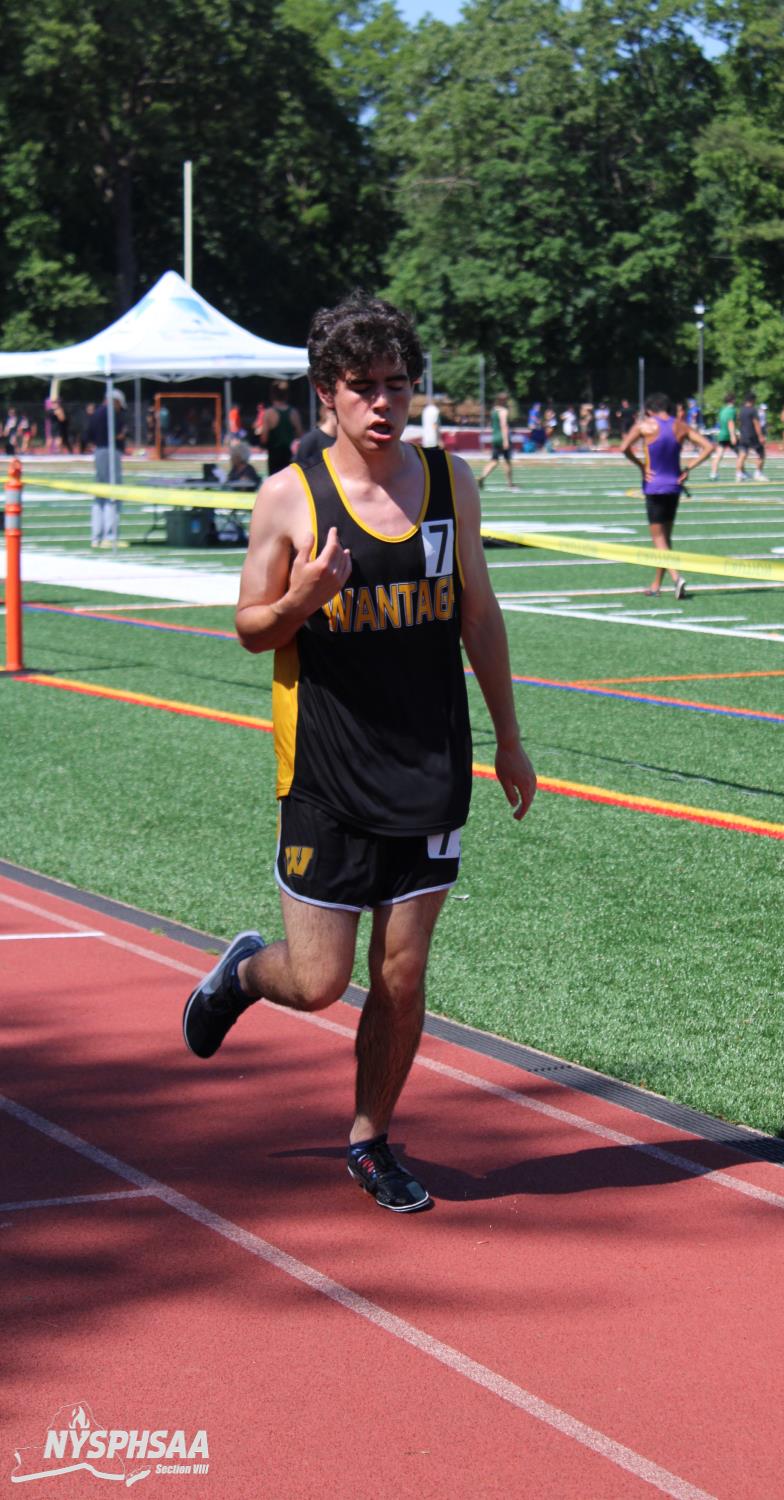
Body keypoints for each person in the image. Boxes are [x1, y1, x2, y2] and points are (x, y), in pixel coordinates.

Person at [181, 291, 536, 1214]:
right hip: (326, 774)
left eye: (397, 384)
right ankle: (242, 974)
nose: (384, 403)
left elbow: (479, 614)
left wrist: (509, 737)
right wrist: (302, 597)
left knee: (402, 973)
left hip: (432, 765)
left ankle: (371, 1139)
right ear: (326, 396)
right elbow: (251, 629)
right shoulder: (289, 497)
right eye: (363, 386)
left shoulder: (452, 482)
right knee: (318, 982)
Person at [620, 392, 714, 598]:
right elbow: (709, 447)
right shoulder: (680, 425)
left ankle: (676, 577)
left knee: (658, 538)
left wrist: (641, 465)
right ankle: (656, 585)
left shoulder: (645, 425)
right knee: (665, 540)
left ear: (648, 410)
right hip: (674, 486)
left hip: (654, 486)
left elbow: (624, 447)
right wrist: (688, 468)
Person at [86, 390, 127, 547]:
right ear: (115, 401)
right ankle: (110, 536)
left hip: (98, 452)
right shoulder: (112, 415)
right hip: (110, 452)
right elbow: (117, 435)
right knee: (113, 493)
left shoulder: (95, 413)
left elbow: (88, 436)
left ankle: (96, 536)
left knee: (100, 494)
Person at [255, 380, 303, 475]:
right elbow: (300, 435)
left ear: (272, 395)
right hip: (290, 456)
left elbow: (264, 438)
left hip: (274, 456)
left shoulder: (268, 413)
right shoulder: (294, 413)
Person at [478, 393, 518, 490]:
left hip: (495, 437)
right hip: (502, 438)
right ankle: (510, 483)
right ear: (503, 400)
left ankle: (482, 476)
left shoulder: (494, 410)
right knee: (507, 461)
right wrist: (505, 441)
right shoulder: (503, 411)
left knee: (494, 460)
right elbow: (504, 426)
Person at [734, 393, 768, 482]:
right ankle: (758, 473)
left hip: (743, 435)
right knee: (761, 454)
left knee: (742, 455)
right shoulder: (753, 410)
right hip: (753, 436)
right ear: (753, 400)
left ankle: (738, 474)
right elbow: (756, 424)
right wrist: (760, 436)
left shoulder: (741, 410)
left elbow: (739, 422)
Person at [294, 400, 338, 468]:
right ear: (327, 411)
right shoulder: (310, 440)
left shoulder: (343, 440)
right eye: (336, 413)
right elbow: (298, 469)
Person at [710, 393, 738, 479]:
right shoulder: (732, 410)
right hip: (728, 435)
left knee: (719, 455)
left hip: (722, 434)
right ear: (733, 400)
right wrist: (733, 436)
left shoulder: (722, 410)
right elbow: (730, 422)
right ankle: (740, 472)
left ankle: (713, 473)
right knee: (741, 453)